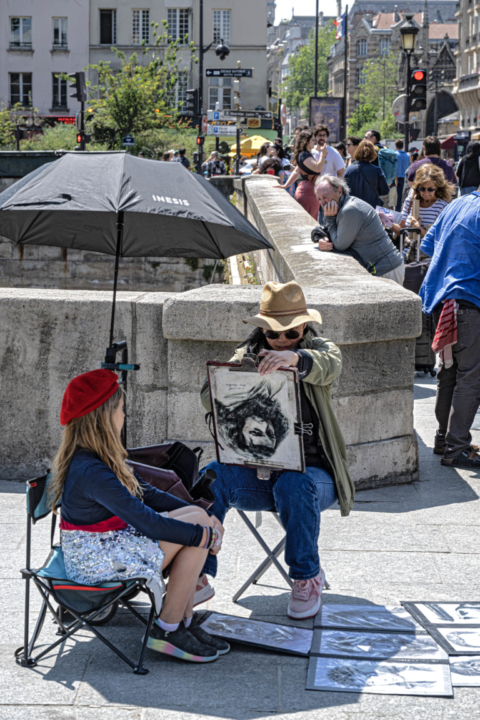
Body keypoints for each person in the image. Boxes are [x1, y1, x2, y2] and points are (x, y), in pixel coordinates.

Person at [199, 281, 354, 620]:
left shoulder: (318, 349)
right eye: (273, 334)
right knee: (210, 477)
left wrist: (296, 359)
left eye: (291, 333)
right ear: (263, 332)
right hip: (257, 475)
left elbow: (332, 363)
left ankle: (306, 577)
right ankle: (196, 571)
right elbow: (208, 397)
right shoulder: (247, 353)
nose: (282, 340)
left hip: (314, 476)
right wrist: (239, 377)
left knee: (294, 484)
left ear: (304, 327)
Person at [51, 369, 229, 663]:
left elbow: (149, 495)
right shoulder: (91, 471)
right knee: (196, 534)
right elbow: (147, 521)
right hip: (97, 563)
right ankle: (168, 628)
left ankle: (183, 621)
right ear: (104, 417)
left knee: (197, 517)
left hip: (112, 544)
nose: (124, 416)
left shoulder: (102, 458)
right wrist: (206, 536)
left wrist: (208, 518)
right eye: (121, 409)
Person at [419, 190, 480, 468]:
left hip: (441, 300)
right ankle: (457, 447)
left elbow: (427, 245)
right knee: (470, 376)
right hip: (468, 301)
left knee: (449, 372)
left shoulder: (457, 203)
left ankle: (444, 439)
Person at [314, 175, 405, 284]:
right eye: (319, 199)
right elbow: (332, 233)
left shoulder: (350, 209)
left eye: (325, 196)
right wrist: (322, 238)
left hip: (387, 269)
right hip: (382, 268)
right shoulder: (343, 207)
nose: (322, 203)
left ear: (339, 192)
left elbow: (339, 245)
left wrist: (329, 218)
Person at [391, 164, 453, 250]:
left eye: (430, 189)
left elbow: (439, 239)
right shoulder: (410, 201)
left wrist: (419, 229)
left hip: (427, 256)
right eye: (422, 189)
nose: (426, 193)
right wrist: (389, 223)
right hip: (406, 255)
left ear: (437, 187)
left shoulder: (441, 206)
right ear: (417, 187)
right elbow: (401, 230)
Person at [278, 130, 328, 219]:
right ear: (306, 141)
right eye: (312, 140)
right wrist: (323, 154)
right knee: (310, 221)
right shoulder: (304, 154)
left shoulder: (304, 154)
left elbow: (296, 171)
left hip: (307, 191)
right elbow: (318, 168)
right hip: (308, 193)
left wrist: (286, 185)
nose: (315, 142)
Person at [343, 140, 389, 208]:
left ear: (357, 152)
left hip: (353, 208)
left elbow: (343, 190)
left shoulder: (349, 170)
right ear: (373, 153)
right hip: (372, 208)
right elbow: (385, 191)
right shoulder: (377, 170)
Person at [395, 139, 410, 213]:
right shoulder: (408, 155)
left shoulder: (395, 154)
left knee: (397, 196)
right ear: (403, 146)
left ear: (396, 146)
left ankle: (398, 211)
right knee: (405, 196)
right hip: (405, 178)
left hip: (397, 178)